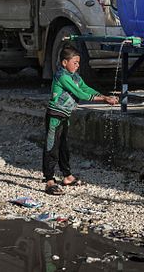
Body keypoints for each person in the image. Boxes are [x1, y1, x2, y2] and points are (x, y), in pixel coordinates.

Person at [43, 45, 118, 195]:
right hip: (55, 116)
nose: (77, 65)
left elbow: (85, 88)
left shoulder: (75, 77)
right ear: (65, 63)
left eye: (78, 63)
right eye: (75, 62)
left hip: (65, 116)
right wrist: (103, 99)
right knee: (52, 147)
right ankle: (49, 180)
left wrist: (104, 95)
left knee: (64, 147)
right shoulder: (62, 76)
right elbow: (80, 94)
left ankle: (67, 176)